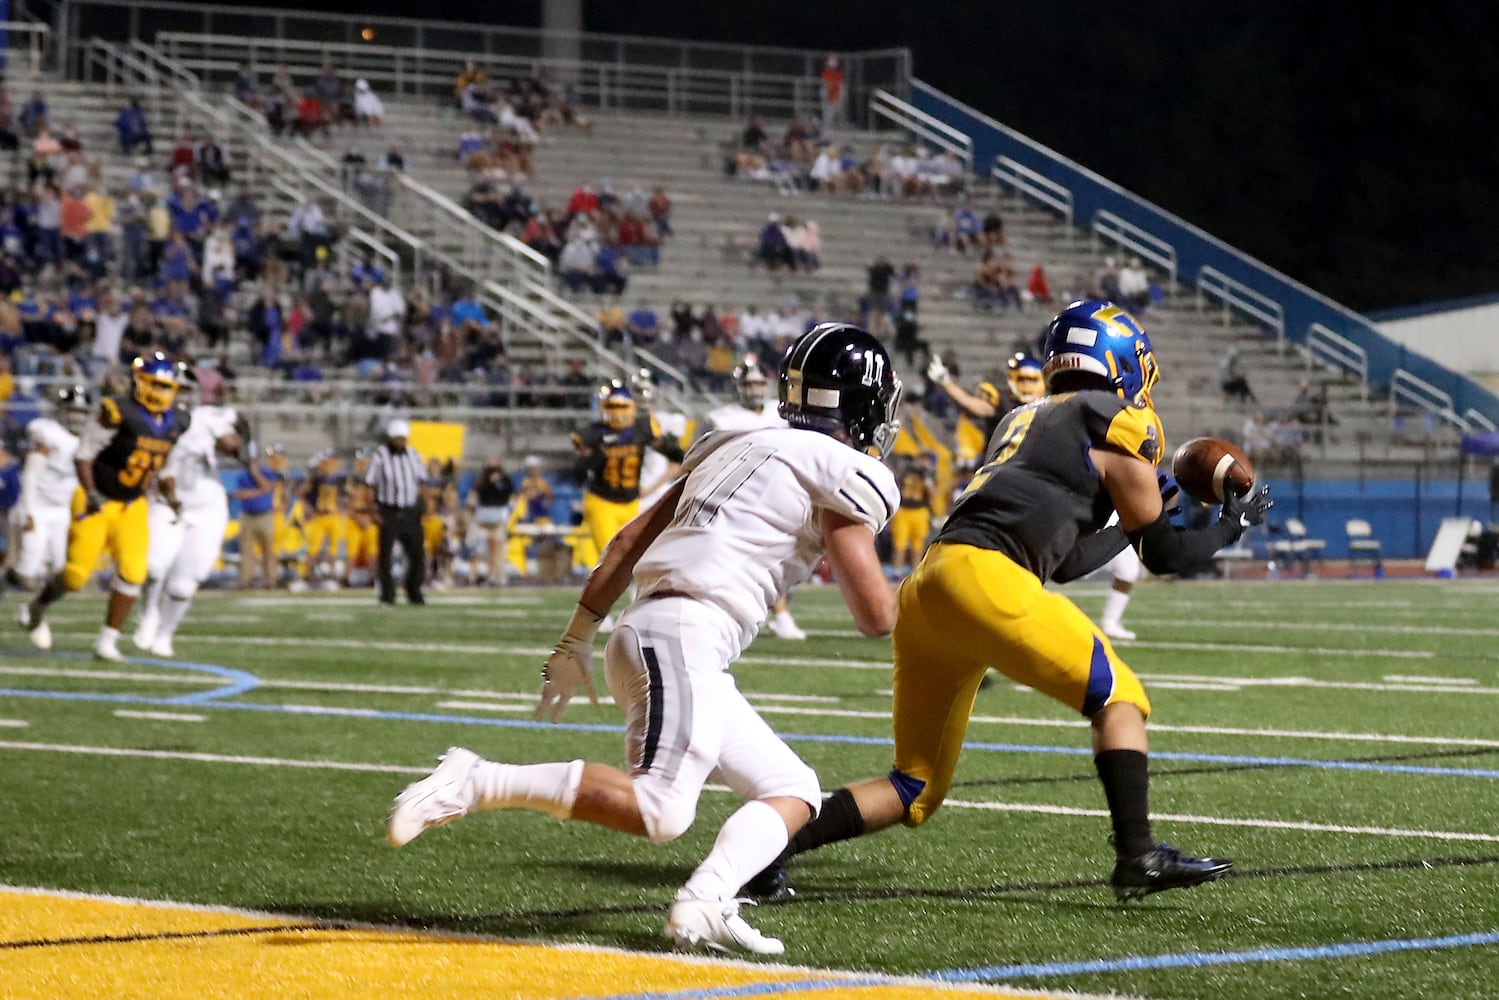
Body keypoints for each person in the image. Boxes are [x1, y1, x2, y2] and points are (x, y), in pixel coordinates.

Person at [386, 323, 904, 956]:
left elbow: (628, 542)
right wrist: (946, 602)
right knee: (662, 810)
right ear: (862, 403)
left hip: (658, 634)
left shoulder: (735, 442)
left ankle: (704, 901)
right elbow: (875, 614)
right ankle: (475, 780)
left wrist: (574, 638)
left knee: (792, 790)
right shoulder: (843, 469)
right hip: (685, 634)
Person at [748, 300, 1274, 904]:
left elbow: (1067, 560)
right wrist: (1231, 525)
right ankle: (1139, 854)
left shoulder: (1023, 418)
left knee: (914, 786)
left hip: (930, 587)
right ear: (1123, 359)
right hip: (987, 579)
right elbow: (1165, 556)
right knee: (1122, 699)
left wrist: (1128, 523)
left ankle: (767, 847)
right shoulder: (1124, 419)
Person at [18, 354, 193, 661]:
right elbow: (83, 455)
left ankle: (107, 641)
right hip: (96, 499)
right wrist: (91, 491)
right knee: (75, 576)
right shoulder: (116, 411)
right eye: (154, 384)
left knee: (134, 571)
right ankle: (37, 606)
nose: (160, 392)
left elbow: (164, 466)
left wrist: (173, 497)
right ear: (139, 383)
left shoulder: (177, 421)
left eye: (166, 386)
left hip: (133, 504)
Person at [702, 361, 806, 641]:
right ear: (739, 388)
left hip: (779, 495)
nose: (755, 390)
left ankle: (774, 613)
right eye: (749, 384)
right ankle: (778, 616)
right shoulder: (722, 419)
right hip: (736, 497)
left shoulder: (783, 412)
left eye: (759, 384)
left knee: (779, 559)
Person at [133, 407, 246, 657]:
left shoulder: (208, 417)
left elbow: (239, 445)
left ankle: (165, 634)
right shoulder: (150, 421)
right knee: (153, 566)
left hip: (207, 507)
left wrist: (232, 442)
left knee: (184, 585)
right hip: (167, 502)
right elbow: (163, 478)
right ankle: (149, 610)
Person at [571, 380, 685, 625]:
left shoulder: (641, 429)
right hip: (601, 501)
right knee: (608, 561)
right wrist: (599, 452)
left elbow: (672, 452)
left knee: (638, 559)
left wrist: (680, 452)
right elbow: (577, 472)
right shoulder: (594, 433)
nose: (618, 412)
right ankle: (595, 615)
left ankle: (638, 608)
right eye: (613, 406)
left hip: (631, 502)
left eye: (622, 407)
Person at [10, 386, 90, 588]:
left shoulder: (87, 438)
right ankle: (5, 586)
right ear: (62, 411)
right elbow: (30, 474)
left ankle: (34, 612)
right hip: (37, 506)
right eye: (73, 411)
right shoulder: (49, 433)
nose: (78, 417)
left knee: (60, 568)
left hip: (61, 510)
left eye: (82, 412)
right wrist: (28, 511)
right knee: (28, 566)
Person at [365, 419, 427, 606]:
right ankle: (387, 595)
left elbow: (422, 482)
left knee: (417, 554)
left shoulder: (414, 455)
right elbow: (370, 485)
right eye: (397, 438)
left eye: (403, 438)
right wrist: (374, 510)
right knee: (385, 555)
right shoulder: (380, 456)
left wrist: (423, 505)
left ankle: (414, 592)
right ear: (390, 438)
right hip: (388, 510)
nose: (400, 442)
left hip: (410, 510)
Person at [927, 350, 1044, 448]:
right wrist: (947, 383)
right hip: (1000, 467)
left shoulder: (1050, 404)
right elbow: (977, 406)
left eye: (1032, 380)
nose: (1027, 385)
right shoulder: (1003, 400)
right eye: (1022, 380)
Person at [233, 446, 284, 589]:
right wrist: (259, 491)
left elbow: (268, 487)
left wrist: (255, 474)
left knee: (268, 550)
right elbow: (240, 494)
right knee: (247, 551)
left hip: (264, 515)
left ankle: (271, 581)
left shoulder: (267, 473)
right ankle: (245, 581)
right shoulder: (242, 476)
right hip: (247, 515)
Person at [300, 451, 348, 590]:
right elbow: (304, 494)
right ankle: (306, 575)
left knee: (334, 548)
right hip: (319, 515)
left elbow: (346, 495)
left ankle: (332, 575)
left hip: (334, 515)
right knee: (313, 547)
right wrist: (308, 507)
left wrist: (343, 507)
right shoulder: (315, 479)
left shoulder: (340, 479)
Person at [467, 455, 514, 587]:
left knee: (496, 548)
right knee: (477, 548)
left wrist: (498, 483)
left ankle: (493, 576)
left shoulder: (504, 480)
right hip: (482, 516)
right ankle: (474, 576)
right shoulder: (481, 479)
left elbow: (510, 495)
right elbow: (474, 495)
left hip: (498, 516)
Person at [889, 452, 936, 576]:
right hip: (904, 510)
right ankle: (897, 571)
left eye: (926, 460)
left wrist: (927, 480)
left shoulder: (929, 475)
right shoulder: (907, 472)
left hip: (920, 511)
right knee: (900, 542)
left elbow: (933, 495)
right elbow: (898, 486)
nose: (923, 463)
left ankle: (915, 571)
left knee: (917, 544)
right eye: (922, 459)